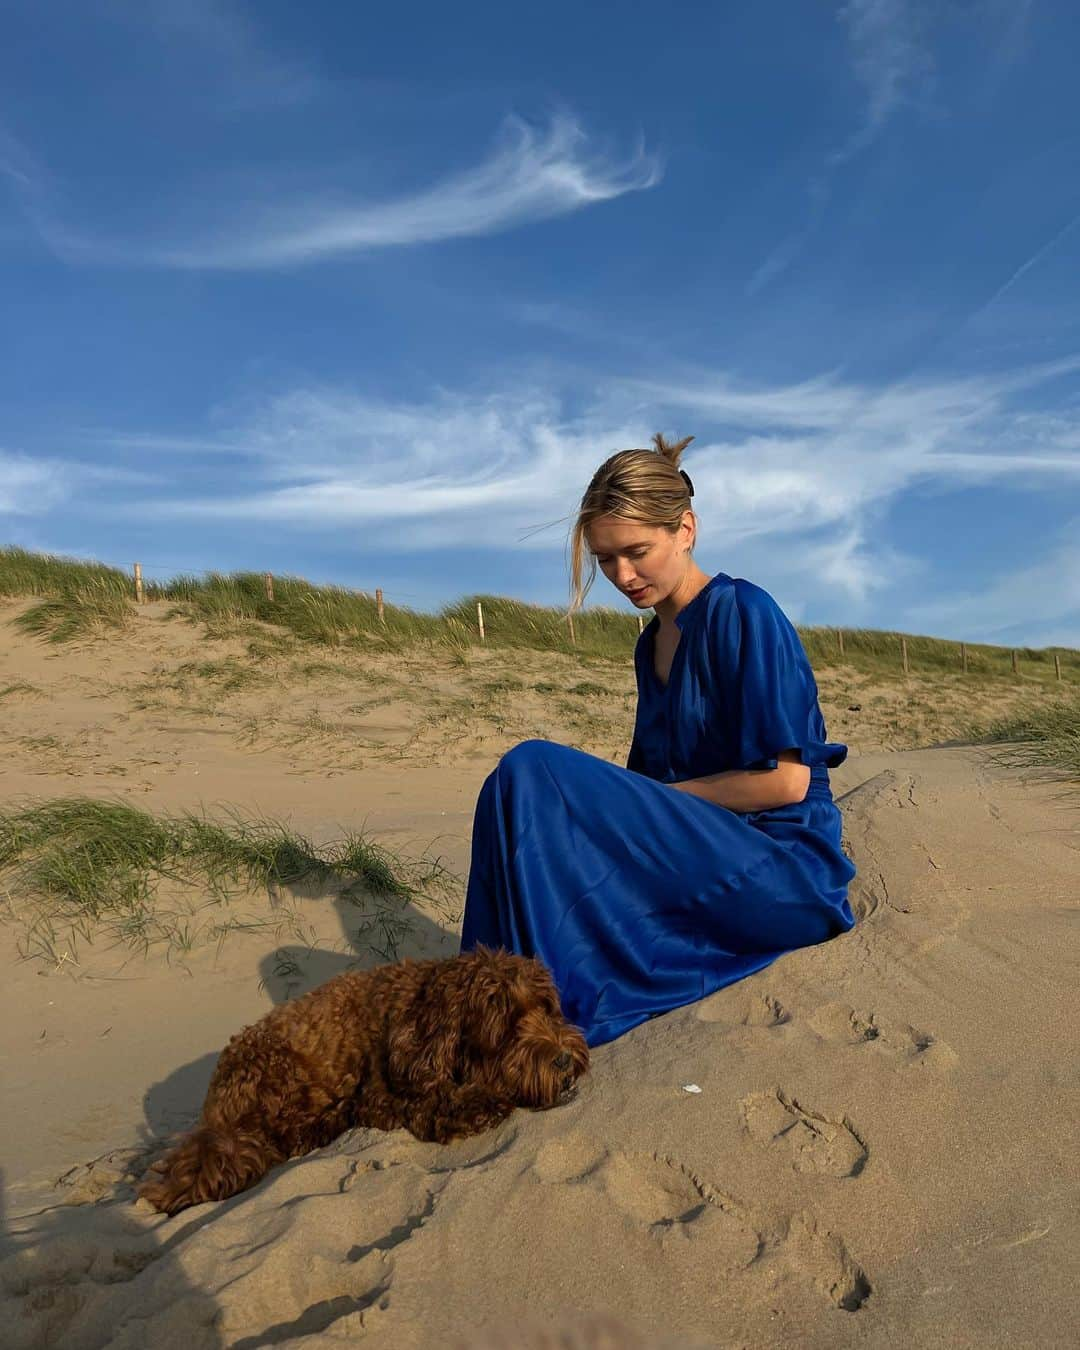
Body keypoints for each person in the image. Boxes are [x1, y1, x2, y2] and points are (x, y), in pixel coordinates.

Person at [459, 433, 855, 1047]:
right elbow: (645, 785)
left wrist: (663, 802)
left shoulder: (744, 611)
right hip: (705, 849)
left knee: (531, 768)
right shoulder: (651, 646)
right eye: (605, 559)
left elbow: (787, 782)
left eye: (637, 551)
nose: (622, 574)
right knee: (510, 793)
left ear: (686, 529)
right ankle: (494, 998)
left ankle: (533, 1019)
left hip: (783, 867)